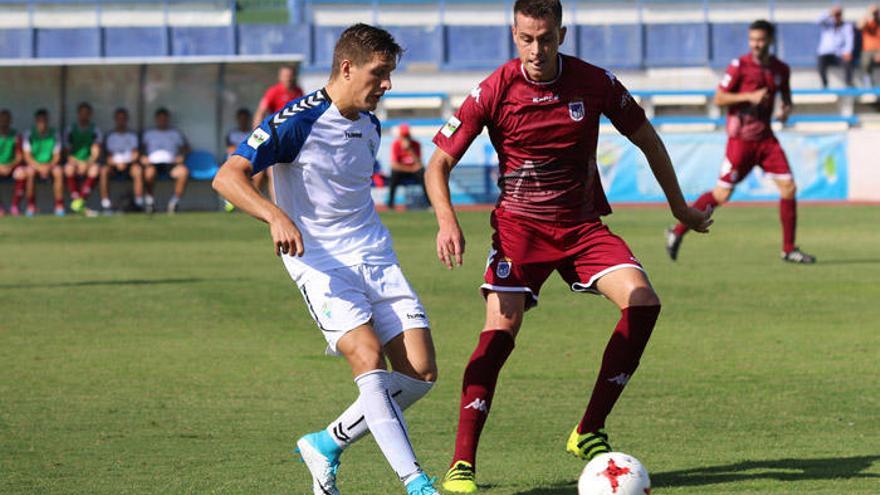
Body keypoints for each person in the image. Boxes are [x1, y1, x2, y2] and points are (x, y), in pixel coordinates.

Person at [424, 0, 712, 492]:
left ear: (562, 34)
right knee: (499, 332)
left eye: (546, 38)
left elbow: (648, 139)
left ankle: (588, 429)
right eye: (527, 39)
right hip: (519, 231)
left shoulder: (595, 82)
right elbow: (438, 165)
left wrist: (680, 208)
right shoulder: (494, 90)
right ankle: (462, 464)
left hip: (581, 228)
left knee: (643, 301)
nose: (536, 49)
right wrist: (446, 221)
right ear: (514, 35)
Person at [212, 24, 440, 495]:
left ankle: (325, 443)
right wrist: (275, 215)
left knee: (420, 373)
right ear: (347, 67)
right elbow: (227, 177)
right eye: (379, 74)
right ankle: (416, 482)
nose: (387, 85)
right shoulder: (296, 121)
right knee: (369, 358)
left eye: (390, 74)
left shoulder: (371, 125)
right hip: (320, 263)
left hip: (375, 255)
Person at [667, 20, 816, 265]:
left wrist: (785, 110)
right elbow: (719, 98)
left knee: (789, 188)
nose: (756, 44)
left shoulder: (781, 69)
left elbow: (786, 98)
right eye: (752, 39)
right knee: (722, 194)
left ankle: (789, 249)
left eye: (761, 39)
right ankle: (677, 231)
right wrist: (749, 96)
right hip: (741, 142)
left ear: (770, 40)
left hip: (766, 140)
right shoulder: (739, 66)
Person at [252, 65, 306, 199]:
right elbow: (260, 112)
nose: (288, 78)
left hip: (293, 139)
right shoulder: (274, 91)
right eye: (285, 76)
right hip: (277, 137)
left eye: (290, 76)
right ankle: (276, 204)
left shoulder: (298, 91)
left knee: (293, 173)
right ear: (280, 77)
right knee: (272, 173)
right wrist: (257, 136)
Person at [140, 108, 189, 214]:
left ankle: (174, 202)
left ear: (168, 119)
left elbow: (186, 148)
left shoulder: (175, 133)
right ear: (156, 119)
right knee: (148, 174)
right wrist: (143, 158)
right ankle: (150, 201)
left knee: (183, 172)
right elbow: (141, 150)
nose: (162, 121)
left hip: (171, 164)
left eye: (164, 119)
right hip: (153, 164)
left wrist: (182, 157)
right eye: (160, 119)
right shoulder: (149, 133)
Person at [22, 109, 64, 216]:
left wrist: (48, 166)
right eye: (40, 121)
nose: (42, 123)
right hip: (35, 165)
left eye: (44, 120)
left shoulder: (54, 134)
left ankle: (59, 206)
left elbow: (57, 156)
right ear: (36, 121)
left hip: (50, 164)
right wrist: (39, 167)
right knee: (29, 172)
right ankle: (31, 206)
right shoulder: (29, 134)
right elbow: (27, 156)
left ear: (47, 121)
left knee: (58, 171)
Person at [63, 102, 103, 214]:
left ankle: (79, 202)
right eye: (82, 113)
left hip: (88, 162)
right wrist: (77, 162)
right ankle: (77, 201)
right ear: (78, 114)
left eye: (86, 113)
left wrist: (87, 163)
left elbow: (96, 151)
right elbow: (67, 152)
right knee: (68, 169)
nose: (84, 116)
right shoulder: (70, 130)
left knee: (95, 170)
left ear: (90, 115)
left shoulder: (95, 130)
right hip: (74, 162)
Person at [100, 108, 142, 212]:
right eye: (119, 119)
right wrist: (115, 163)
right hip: (114, 166)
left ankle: (139, 202)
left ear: (127, 120)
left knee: (138, 170)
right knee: (104, 171)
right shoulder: (110, 136)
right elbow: (107, 156)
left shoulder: (132, 135)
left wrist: (126, 162)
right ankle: (105, 203)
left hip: (130, 165)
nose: (121, 121)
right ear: (115, 120)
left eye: (123, 119)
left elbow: (136, 154)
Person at [387, 123, 430, 209]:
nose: (406, 138)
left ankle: (430, 203)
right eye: (403, 136)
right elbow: (394, 165)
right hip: (403, 171)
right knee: (393, 174)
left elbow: (419, 164)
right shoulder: (396, 144)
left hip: (414, 172)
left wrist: (410, 150)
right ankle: (390, 205)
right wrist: (410, 169)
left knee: (423, 174)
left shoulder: (416, 144)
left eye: (407, 136)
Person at [221, 108, 253, 212]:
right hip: (232, 162)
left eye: (245, 119)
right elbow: (230, 149)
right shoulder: (232, 134)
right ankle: (230, 199)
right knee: (229, 175)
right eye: (241, 119)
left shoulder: (253, 133)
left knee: (258, 175)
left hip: (249, 163)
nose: (243, 121)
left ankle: (249, 202)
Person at [817, 6, 855, 88]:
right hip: (826, 53)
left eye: (839, 14)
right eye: (836, 15)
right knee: (820, 61)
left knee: (848, 61)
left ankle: (849, 83)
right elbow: (818, 20)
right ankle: (824, 84)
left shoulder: (847, 26)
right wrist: (829, 13)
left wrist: (848, 52)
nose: (837, 17)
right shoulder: (827, 24)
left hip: (839, 54)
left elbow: (849, 40)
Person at [0, 109, 26, 217]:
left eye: (6, 120)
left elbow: (20, 156)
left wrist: (9, 166)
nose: (4, 122)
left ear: (10, 121)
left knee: (22, 173)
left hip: (12, 166)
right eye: (2, 119)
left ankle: (15, 206)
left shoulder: (15, 135)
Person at [859, 4, 880, 87]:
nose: (875, 14)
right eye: (873, 13)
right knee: (865, 63)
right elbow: (859, 26)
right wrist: (869, 14)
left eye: (876, 12)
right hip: (867, 49)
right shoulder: (867, 22)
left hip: (878, 49)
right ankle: (867, 82)